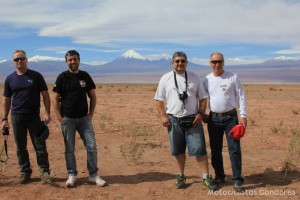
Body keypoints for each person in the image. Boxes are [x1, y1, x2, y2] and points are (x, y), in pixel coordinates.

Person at [154, 51, 217, 190]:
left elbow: (203, 98)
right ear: (172, 63)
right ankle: (181, 175)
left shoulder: (195, 77)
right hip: (173, 120)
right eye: (177, 61)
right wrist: (163, 116)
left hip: (193, 119)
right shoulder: (165, 78)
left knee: (200, 149)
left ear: (187, 62)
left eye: (183, 61)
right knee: (178, 150)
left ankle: (206, 177)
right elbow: (159, 99)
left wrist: (200, 114)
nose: (180, 63)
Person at [53, 50, 106, 188]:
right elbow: (55, 98)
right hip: (68, 120)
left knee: (92, 147)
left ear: (79, 60)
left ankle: (93, 175)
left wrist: (90, 114)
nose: (72, 62)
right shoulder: (62, 77)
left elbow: (93, 96)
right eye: (70, 60)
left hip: (84, 120)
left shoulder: (85, 76)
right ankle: (72, 175)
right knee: (69, 148)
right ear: (66, 62)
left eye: (74, 59)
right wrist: (60, 117)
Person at [1, 49, 51, 184]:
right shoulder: (10, 79)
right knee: (20, 147)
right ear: (13, 62)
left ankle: (44, 172)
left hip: (34, 116)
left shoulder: (36, 76)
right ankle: (25, 172)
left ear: (26, 60)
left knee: (40, 145)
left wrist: (47, 112)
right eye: (16, 59)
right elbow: (6, 100)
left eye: (21, 58)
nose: (19, 61)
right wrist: (4, 119)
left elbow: (45, 95)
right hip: (16, 117)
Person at [203, 52, 247, 193]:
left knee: (234, 149)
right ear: (210, 63)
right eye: (214, 62)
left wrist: (243, 115)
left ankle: (237, 180)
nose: (217, 64)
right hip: (214, 118)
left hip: (231, 118)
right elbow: (203, 99)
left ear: (223, 62)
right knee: (215, 150)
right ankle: (220, 177)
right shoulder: (206, 80)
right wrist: (202, 113)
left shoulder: (232, 77)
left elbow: (241, 96)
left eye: (219, 61)